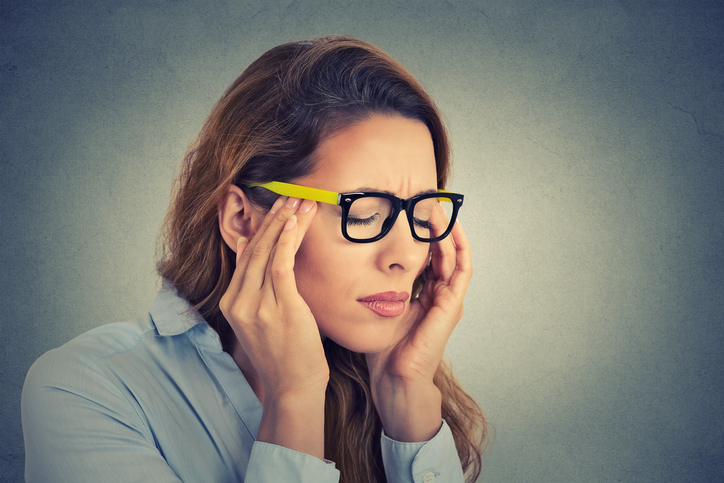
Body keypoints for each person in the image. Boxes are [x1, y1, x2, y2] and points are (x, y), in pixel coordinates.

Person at [22, 36, 488, 482]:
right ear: (243, 219)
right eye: (364, 215)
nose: (408, 256)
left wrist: (407, 398)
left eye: (423, 214)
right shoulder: (88, 389)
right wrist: (294, 399)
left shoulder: (396, 386)